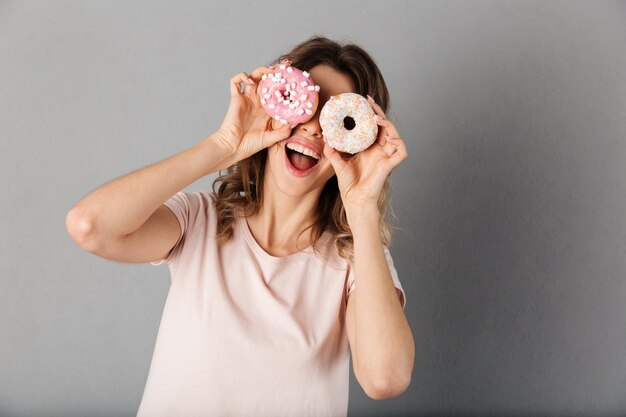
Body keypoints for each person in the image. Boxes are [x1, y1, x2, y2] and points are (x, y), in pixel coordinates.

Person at [66, 35, 415, 417]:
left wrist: (362, 207)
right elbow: (89, 226)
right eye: (306, 107)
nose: (315, 128)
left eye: (336, 119)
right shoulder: (199, 221)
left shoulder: (357, 259)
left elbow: (385, 379)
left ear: (356, 144)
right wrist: (224, 144)